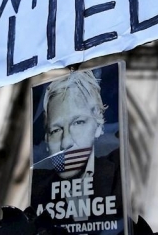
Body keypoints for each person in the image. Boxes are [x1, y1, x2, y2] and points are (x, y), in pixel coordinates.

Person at [30, 70, 122, 217]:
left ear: (98, 127)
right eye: (55, 130)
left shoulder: (118, 174)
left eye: (78, 122)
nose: (66, 142)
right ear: (46, 139)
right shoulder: (36, 191)